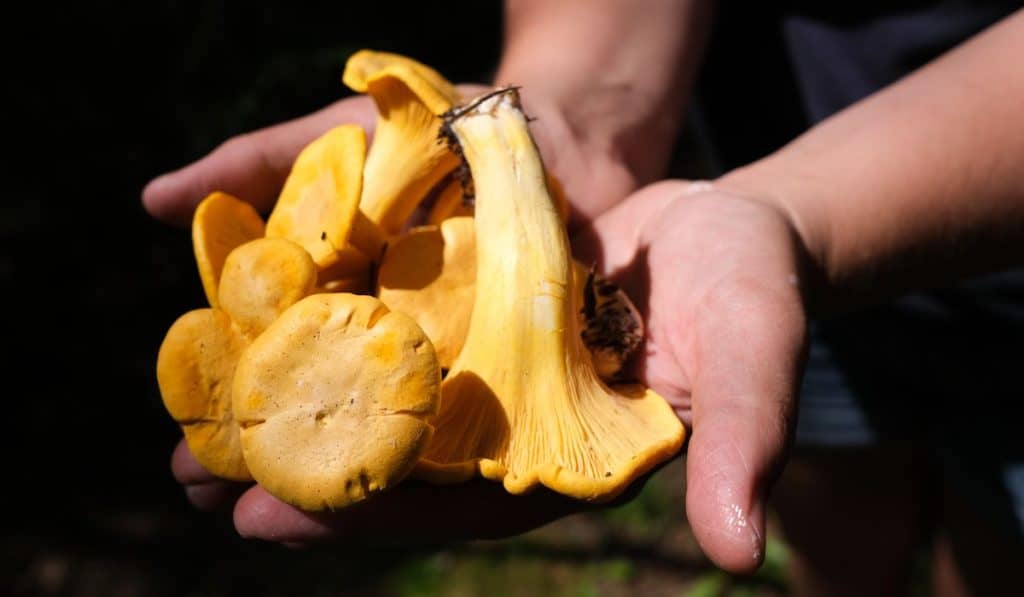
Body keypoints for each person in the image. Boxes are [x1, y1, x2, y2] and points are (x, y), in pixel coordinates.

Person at [143, 2, 1024, 594]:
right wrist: (578, 104)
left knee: (996, 533)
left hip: (1002, 272)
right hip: (780, 220)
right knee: (835, 496)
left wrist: (792, 211)